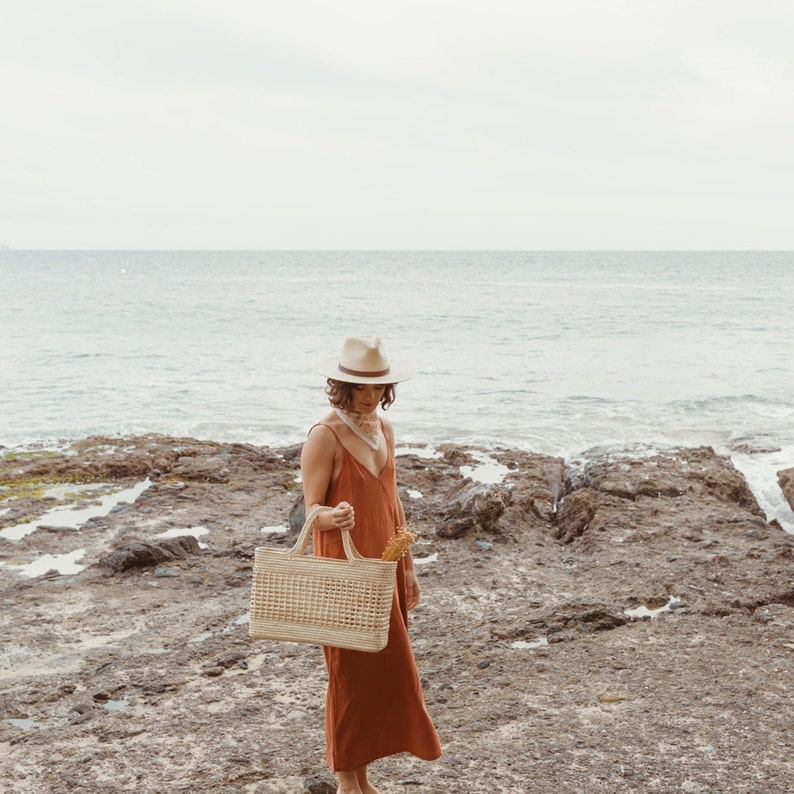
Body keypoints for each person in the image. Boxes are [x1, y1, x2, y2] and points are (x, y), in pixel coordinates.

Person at [300, 335, 442, 794]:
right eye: (359, 386)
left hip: (384, 568)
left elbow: (393, 502)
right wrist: (331, 515)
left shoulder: (384, 429)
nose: (369, 394)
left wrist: (409, 567)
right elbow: (311, 511)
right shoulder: (324, 435)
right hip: (343, 572)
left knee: (387, 673)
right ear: (340, 384)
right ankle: (347, 782)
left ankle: (362, 778)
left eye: (377, 386)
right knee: (348, 676)